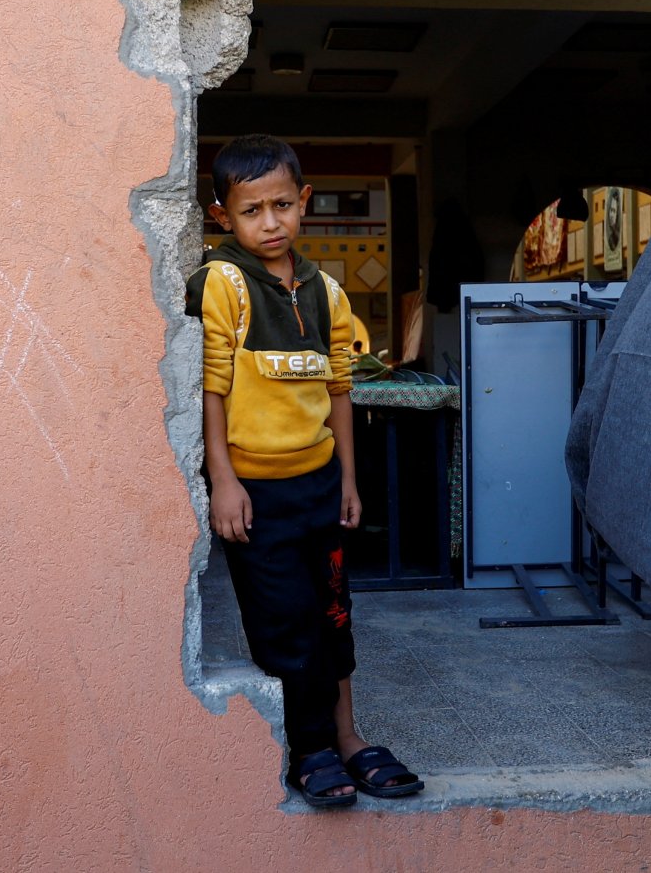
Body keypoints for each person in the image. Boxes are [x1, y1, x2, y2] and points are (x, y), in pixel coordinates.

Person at [186, 134, 424, 808]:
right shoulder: (222, 284)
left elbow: (340, 391)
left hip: (319, 483)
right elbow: (211, 389)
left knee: (333, 616)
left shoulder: (324, 292)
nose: (270, 222)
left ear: (305, 203)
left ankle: (349, 738)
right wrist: (223, 479)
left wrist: (348, 479)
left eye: (283, 205)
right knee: (287, 622)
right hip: (257, 496)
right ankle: (309, 747)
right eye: (252, 210)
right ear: (222, 216)